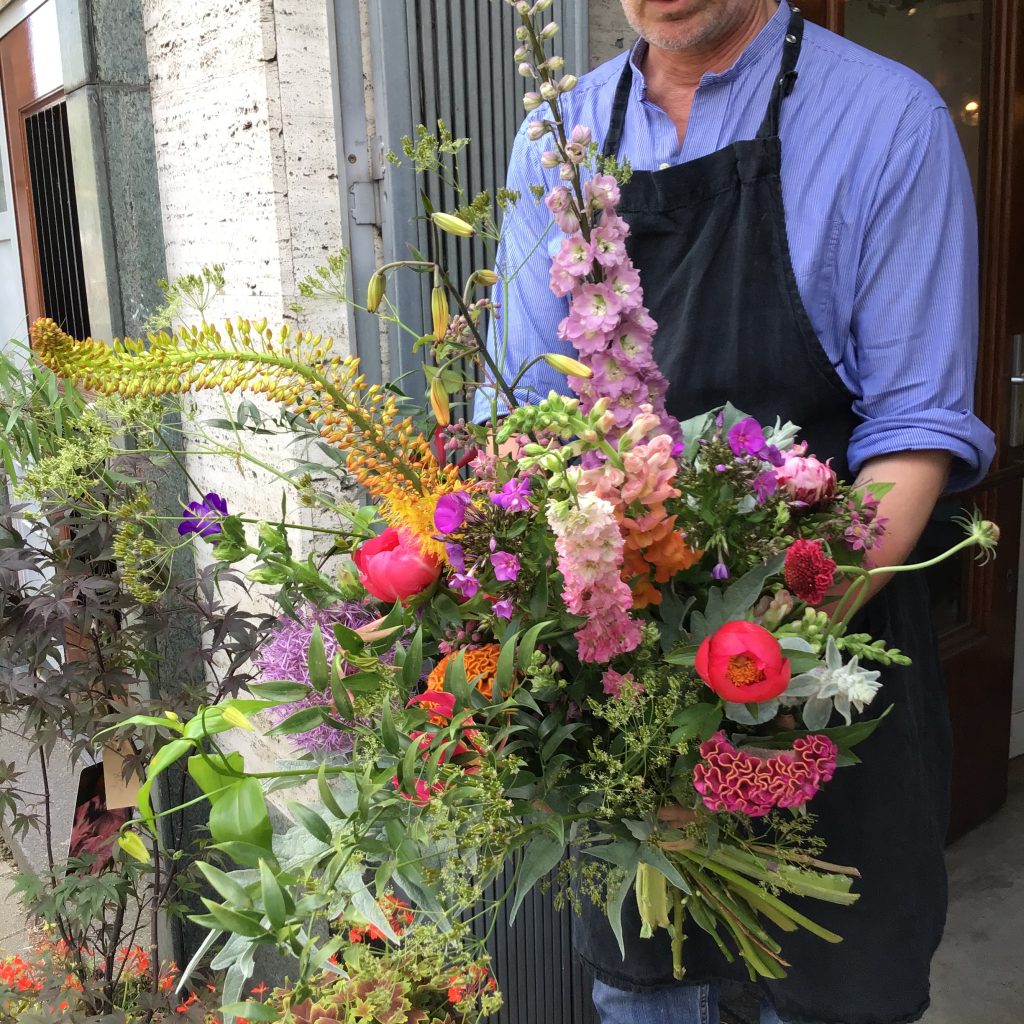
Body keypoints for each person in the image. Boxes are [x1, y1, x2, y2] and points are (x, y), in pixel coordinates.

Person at [476, 2, 996, 1023]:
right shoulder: (555, 133)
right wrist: (630, 706)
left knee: (836, 991)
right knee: (650, 993)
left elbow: (911, 431)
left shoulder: (887, 118)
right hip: (628, 703)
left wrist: (730, 683)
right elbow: (524, 421)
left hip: (831, 674)